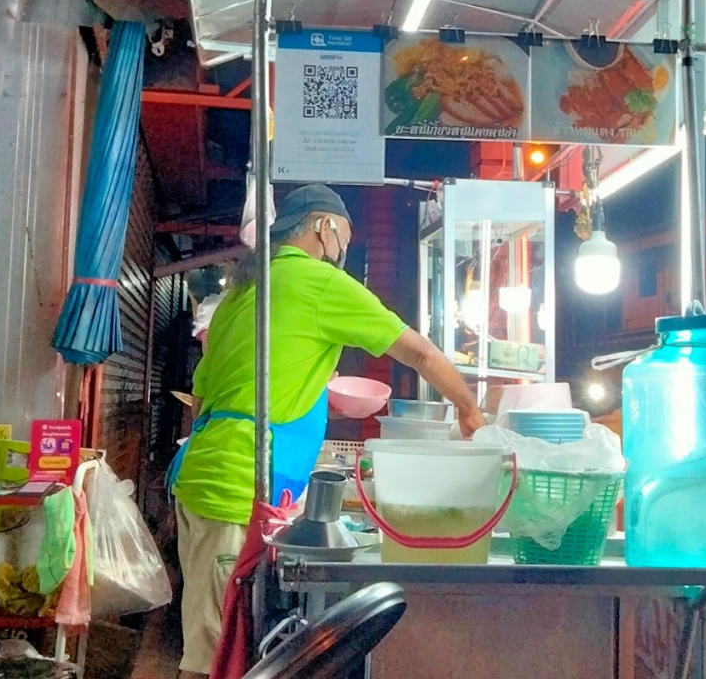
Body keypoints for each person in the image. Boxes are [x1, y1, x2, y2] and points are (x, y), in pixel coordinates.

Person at [169, 184, 485, 679]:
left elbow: (206, 396)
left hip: (199, 478)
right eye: (344, 238)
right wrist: (468, 409)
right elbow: (419, 352)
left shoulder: (244, 290)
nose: (343, 250)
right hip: (235, 488)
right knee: (216, 656)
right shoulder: (317, 281)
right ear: (323, 227)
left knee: (212, 643)